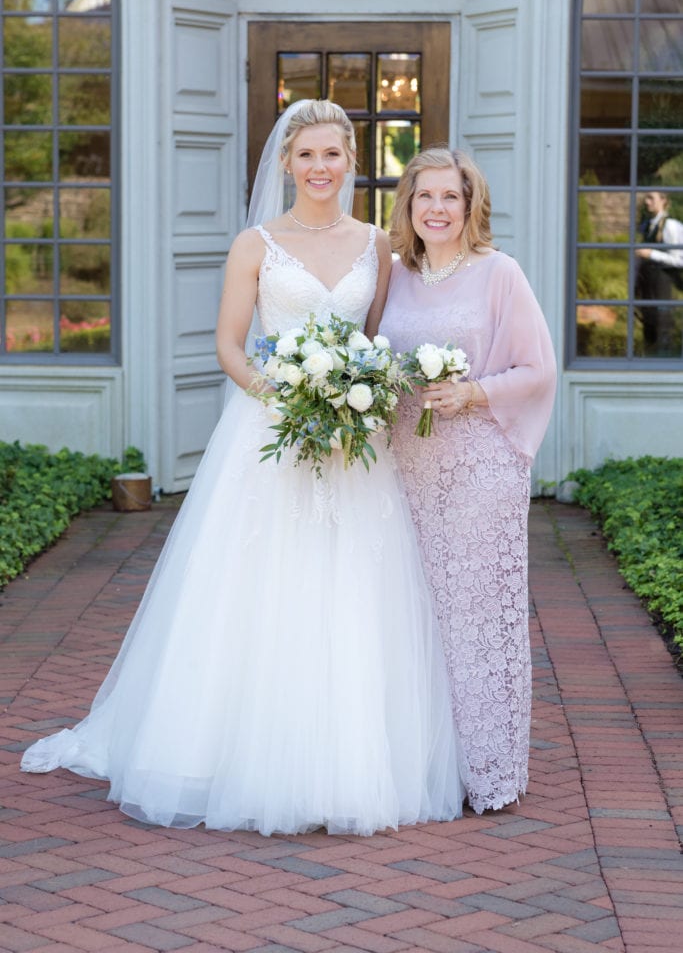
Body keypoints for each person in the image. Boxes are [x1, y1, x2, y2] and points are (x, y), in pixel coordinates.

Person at [21, 101, 466, 836]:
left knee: (353, 586)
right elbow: (230, 346)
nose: (320, 168)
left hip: (352, 447)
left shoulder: (377, 247)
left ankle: (350, 759)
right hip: (271, 436)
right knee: (254, 587)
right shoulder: (254, 244)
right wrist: (287, 402)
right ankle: (225, 751)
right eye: (306, 155)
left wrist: (354, 401)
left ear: (351, 160)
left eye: (332, 154)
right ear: (286, 163)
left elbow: (377, 341)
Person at [378, 146, 556, 813]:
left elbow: (536, 371)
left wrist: (472, 394)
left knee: (477, 618)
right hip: (404, 470)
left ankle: (486, 767)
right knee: (410, 616)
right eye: (424, 196)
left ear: (470, 204)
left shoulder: (498, 273)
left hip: (478, 472)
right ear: (408, 206)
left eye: (449, 196)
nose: (436, 209)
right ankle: (425, 764)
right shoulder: (391, 276)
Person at [634, 191, 683, 356]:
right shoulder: (647, 225)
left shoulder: (671, 226)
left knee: (663, 333)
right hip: (647, 290)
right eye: (646, 197)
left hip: (663, 290)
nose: (647, 202)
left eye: (651, 198)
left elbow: (680, 260)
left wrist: (651, 254)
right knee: (649, 332)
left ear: (664, 200)